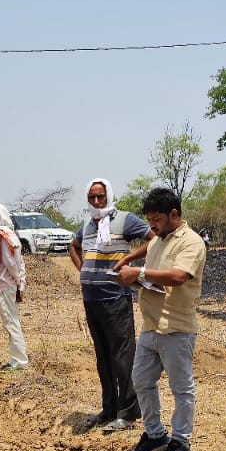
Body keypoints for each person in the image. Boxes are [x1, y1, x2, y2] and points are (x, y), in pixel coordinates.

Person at [116, 188, 206, 451]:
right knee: (141, 381)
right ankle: (155, 435)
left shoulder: (191, 243)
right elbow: (151, 253)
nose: (151, 226)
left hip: (177, 327)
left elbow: (179, 276)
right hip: (151, 326)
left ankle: (181, 442)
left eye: (156, 219)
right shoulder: (159, 240)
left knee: (181, 389)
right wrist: (131, 269)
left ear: (174, 215)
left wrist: (139, 273)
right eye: (150, 220)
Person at [69, 178, 149, 433]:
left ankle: (127, 414)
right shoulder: (87, 224)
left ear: (109, 196)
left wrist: (129, 259)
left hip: (115, 298)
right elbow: (74, 245)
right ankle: (109, 409)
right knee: (103, 359)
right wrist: (84, 270)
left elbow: (154, 238)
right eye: (91, 197)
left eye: (100, 197)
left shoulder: (124, 219)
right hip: (91, 299)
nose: (96, 201)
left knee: (122, 357)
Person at [0, 204, 29, 370]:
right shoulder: (12, 235)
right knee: (12, 322)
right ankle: (16, 359)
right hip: (11, 283)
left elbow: (9, 262)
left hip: (6, 283)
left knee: (11, 323)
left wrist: (18, 280)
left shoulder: (2, 236)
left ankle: (20, 361)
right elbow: (19, 262)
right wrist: (20, 282)